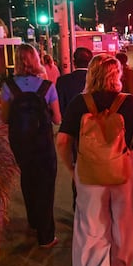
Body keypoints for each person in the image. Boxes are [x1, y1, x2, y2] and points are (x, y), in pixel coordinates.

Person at [55, 54, 133, 266]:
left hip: (89, 172)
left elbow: (62, 141)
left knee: (92, 227)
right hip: (124, 171)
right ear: (117, 75)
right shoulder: (130, 103)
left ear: (91, 74)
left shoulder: (79, 103)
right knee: (123, 228)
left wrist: (72, 168)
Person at [0, 43, 62, 248]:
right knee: (46, 185)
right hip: (43, 143)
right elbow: (57, 119)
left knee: (28, 179)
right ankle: (46, 236)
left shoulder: (9, 86)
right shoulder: (47, 87)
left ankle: (34, 222)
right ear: (36, 59)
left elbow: (5, 118)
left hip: (20, 144)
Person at [56, 47, 94, 209]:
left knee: (77, 169)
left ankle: (78, 204)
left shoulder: (63, 81)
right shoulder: (96, 81)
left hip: (73, 133)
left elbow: (59, 109)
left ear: (73, 62)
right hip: (95, 133)